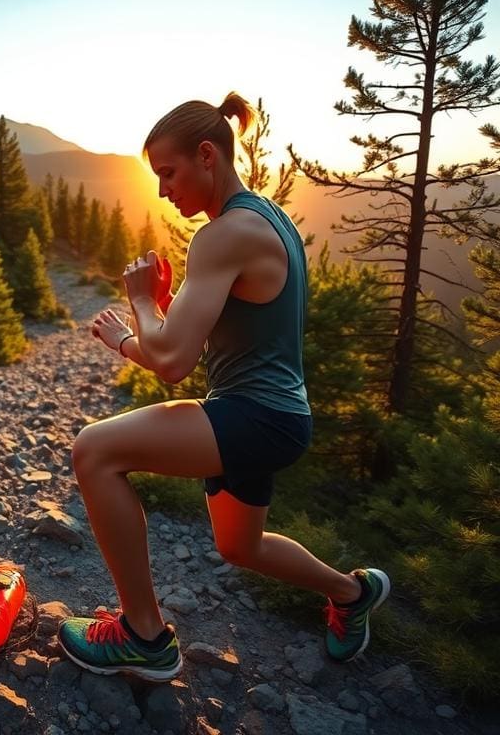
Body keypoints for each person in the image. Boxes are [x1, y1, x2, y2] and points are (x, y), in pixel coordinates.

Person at [57, 92, 390, 682]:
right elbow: (195, 332)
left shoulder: (222, 236)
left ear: (206, 155)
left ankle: (143, 636)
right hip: (277, 415)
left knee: (94, 449)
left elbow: (172, 362)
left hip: (253, 414)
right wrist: (155, 312)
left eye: (168, 172)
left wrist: (132, 312)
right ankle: (352, 593)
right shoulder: (265, 217)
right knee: (241, 547)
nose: (162, 190)